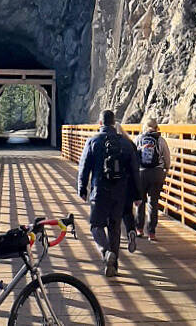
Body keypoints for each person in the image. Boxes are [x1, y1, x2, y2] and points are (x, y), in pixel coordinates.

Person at [78, 110, 141, 277]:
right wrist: (137, 195)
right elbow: (135, 170)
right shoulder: (126, 144)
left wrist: (82, 188)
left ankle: (106, 254)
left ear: (100, 123)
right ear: (114, 124)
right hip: (119, 193)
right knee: (115, 227)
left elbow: (84, 167)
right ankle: (114, 265)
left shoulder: (93, 141)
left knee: (96, 226)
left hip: (99, 191)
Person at [135, 117, 171, 242]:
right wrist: (166, 169)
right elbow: (167, 158)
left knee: (140, 201)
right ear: (156, 128)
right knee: (153, 203)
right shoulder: (160, 140)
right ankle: (151, 233)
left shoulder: (139, 139)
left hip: (141, 173)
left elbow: (134, 156)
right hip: (156, 173)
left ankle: (139, 229)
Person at [116, 122, 139, 253]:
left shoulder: (108, 144)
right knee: (127, 212)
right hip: (128, 184)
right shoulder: (130, 145)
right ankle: (131, 231)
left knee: (114, 214)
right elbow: (136, 169)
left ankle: (115, 241)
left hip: (113, 185)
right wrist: (138, 194)